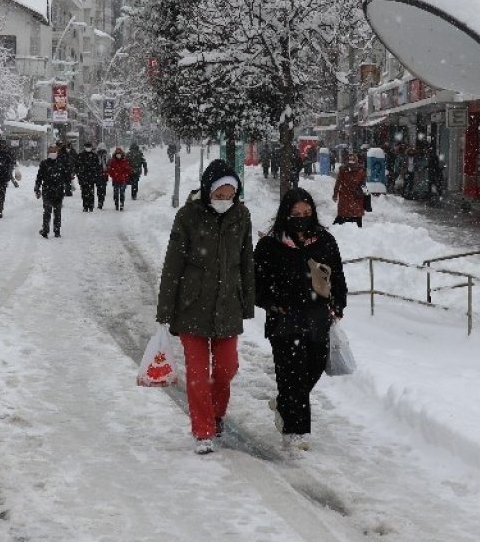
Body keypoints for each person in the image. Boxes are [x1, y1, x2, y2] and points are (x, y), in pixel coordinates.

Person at [155, 160, 255, 455]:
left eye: (229, 196)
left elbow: (246, 260)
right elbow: (173, 264)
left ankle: (216, 413)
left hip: (228, 304)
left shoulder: (241, 216)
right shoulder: (188, 216)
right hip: (192, 304)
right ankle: (203, 430)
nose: (224, 201)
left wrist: (247, 302)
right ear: (208, 191)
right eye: (219, 195)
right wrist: (165, 309)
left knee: (226, 367)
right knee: (198, 373)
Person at [254, 187, 347, 453]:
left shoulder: (324, 240)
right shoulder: (270, 245)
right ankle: (294, 432)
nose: (302, 218)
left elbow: (338, 277)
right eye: (296, 214)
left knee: (314, 367)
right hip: (284, 321)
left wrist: (337, 305)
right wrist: (272, 303)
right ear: (285, 214)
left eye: (307, 213)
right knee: (292, 374)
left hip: (318, 319)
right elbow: (255, 283)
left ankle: (285, 403)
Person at [34, 145, 72, 238]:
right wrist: (37, 188)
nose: (52, 153)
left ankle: (55, 230)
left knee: (55, 211)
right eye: (51, 151)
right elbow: (39, 177)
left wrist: (68, 185)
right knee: (49, 211)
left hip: (57, 190)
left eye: (54, 151)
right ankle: (47, 230)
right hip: (49, 190)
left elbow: (66, 176)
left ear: (57, 152)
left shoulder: (60, 163)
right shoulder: (45, 163)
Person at [332, 153, 367, 227]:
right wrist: (365, 195)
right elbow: (363, 185)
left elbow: (338, 183)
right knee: (356, 215)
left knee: (343, 215)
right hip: (356, 197)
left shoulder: (343, 170)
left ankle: (336, 228)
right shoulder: (361, 170)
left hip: (345, 196)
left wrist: (335, 195)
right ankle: (358, 229)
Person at [75, 142, 102, 212]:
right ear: (84, 147)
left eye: (89, 147)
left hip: (91, 177)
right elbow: (77, 166)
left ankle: (91, 206)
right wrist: (79, 175)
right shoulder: (80, 155)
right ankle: (85, 206)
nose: (88, 148)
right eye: (87, 147)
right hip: (83, 177)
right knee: (84, 192)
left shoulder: (94, 156)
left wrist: (96, 176)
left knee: (91, 192)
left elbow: (97, 167)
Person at [106, 147, 133, 211]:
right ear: (115, 155)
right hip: (115, 180)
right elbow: (110, 170)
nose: (118, 155)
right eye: (117, 154)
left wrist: (125, 175)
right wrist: (113, 175)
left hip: (123, 180)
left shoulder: (125, 161)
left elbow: (128, 170)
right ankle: (116, 204)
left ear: (121, 154)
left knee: (122, 193)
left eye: (119, 154)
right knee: (115, 193)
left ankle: (121, 204)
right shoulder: (113, 162)